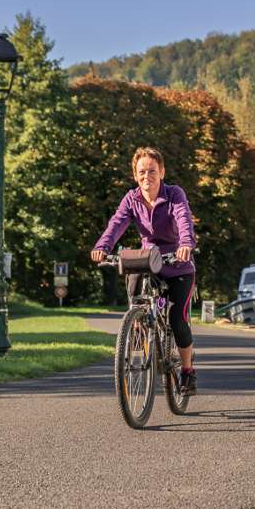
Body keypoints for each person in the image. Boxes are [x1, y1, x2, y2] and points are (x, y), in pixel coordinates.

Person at [90, 146, 198, 395]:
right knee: (134, 279)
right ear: (135, 174)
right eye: (141, 171)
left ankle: (187, 371)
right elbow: (116, 223)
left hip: (177, 264)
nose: (146, 175)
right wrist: (102, 247)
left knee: (176, 318)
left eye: (151, 170)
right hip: (149, 260)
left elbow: (183, 220)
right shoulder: (131, 198)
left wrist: (185, 245)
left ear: (161, 171)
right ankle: (138, 324)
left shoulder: (174, 194)